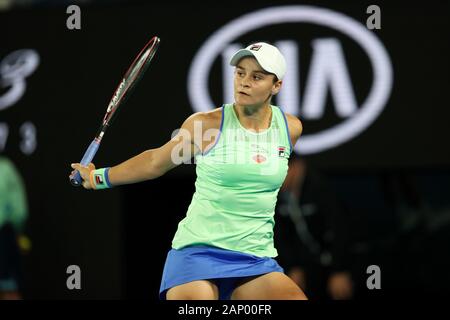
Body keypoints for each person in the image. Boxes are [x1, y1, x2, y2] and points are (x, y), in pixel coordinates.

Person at [71, 42, 307, 300]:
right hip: (198, 253)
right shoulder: (206, 126)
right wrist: (98, 177)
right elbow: (154, 163)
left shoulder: (290, 129)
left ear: (277, 85)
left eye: (257, 76)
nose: (244, 82)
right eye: (240, 73)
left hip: (254, 259)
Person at [274, 155, 353, 300]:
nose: (273, 177)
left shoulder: (321, 187)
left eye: (277, 169)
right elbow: (281, 234)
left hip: (339, 261)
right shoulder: (278, 196)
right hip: (309, 266)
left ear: (295, 167)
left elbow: (340, 229)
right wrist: (293, 266)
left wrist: (340, 269)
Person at [0, 156, 30, 300]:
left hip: (4, 237)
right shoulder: (6, 169)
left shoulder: (5, 169)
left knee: (9, 289)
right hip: (5, 236)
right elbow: (20, 211)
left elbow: (19, 211)